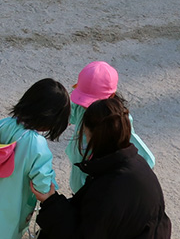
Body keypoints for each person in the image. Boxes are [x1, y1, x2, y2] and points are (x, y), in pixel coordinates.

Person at [32, 96, 172, 238]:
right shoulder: (134, 161)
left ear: (94, 137)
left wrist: (50, 201)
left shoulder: (110, 186)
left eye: (85, 133)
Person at [0, 78, 72, 239]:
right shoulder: (37, 144)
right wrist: (50, 189)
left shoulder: (3, 124)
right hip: (8, 209)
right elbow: (42, 182)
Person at [65, 61, 155, 193]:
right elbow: (67, 115)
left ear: (111, 96)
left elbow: (145, 157)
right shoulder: (79, 108)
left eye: (89, 102)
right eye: (82, 100)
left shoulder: (119, 121)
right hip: (78, 180)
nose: (85, 106)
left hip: (97, 187)